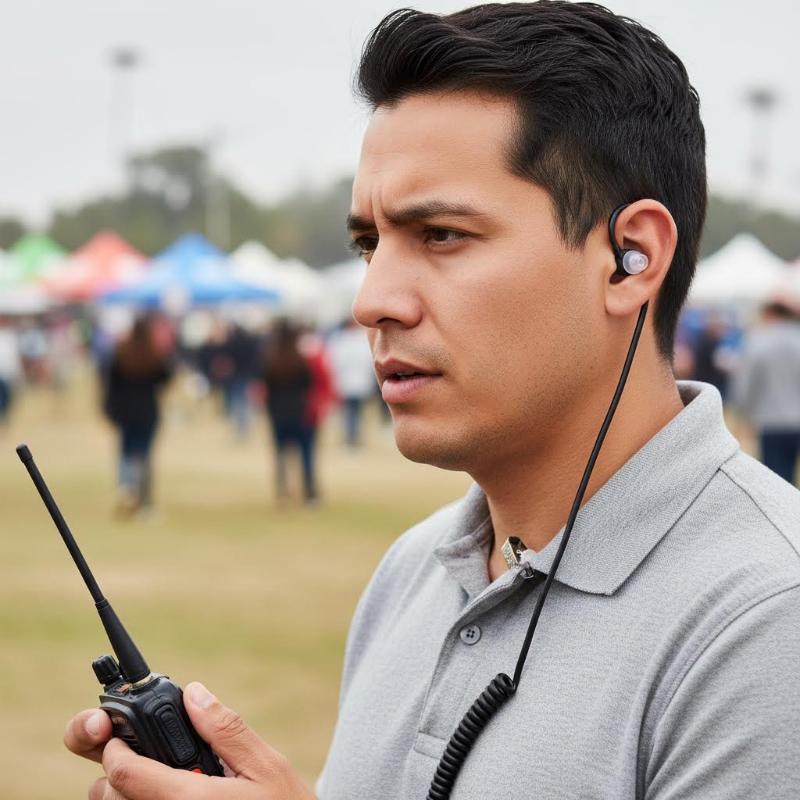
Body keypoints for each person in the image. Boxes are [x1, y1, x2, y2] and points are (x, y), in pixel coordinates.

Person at [64, 3, 800, 799]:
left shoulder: (766, 619)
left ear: (631, 258)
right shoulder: (416, 570)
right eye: (369, 244)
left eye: (442, 235)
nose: (372, 300)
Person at [103, 315, 173, 515]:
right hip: (147, 410)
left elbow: (112, 384)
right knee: (144, 454)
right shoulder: (153, 354)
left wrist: (110, 408)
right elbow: (165, 378)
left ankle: (126, 488)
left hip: (126, 411)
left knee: (126, 451)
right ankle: (144, 499)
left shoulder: (122, 352)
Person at [732, 300, 800, 485]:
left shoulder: (759, 340)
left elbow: (746, 382)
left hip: (771, 420)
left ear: (769, 314)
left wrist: (743, 414)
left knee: (778, 480)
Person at [261, 318, 320, 505]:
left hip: (278, 413)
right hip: (300, 412)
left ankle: (283, 492)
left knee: (280, 455)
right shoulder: (300, 360)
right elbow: (309, 384)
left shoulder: (271, 360)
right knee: (306, 454)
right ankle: (309, 492)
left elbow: (266, 388)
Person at [327, 318, 376, 447]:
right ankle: (354, 436)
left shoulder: (340, 340)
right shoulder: (361, 339)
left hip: (347, 382)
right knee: (356, 411)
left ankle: (351, 436)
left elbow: (335, 363)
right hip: (358, 382)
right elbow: (369, 362)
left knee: (350, 411)